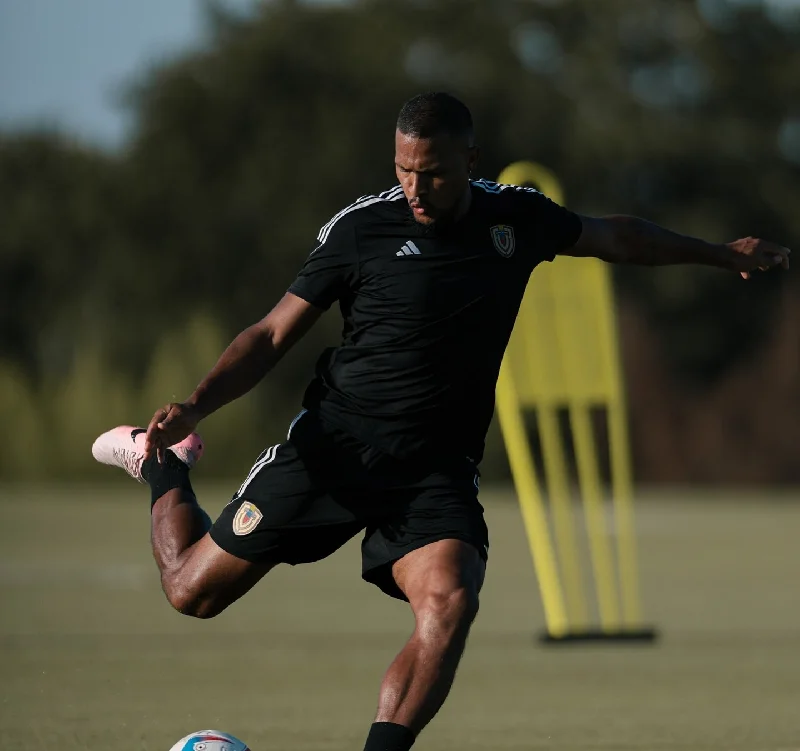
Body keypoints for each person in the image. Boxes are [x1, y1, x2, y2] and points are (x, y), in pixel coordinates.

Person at [92, 91, 790, 751]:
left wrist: (720, 253)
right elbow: (271, 335)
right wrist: (197, 403)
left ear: (470, 163)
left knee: (451, 599)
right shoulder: (361, 228)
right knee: (191, 592)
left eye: (432, 173)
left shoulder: (516, 217)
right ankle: (163, 463)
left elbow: (621, 237)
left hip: (434, 468)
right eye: (402, 169)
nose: (415, 188)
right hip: (335, 450)